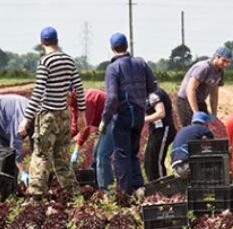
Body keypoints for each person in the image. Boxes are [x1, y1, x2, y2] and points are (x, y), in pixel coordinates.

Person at [19, 27, 86, 198]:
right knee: (61, 156)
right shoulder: (69, 60)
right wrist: (82, 115)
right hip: (63, 114)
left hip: (47, 115)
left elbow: (39, 91)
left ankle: (36, 195)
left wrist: (26, 119)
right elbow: (78, 88)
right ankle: (74, 194)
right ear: (57, 41)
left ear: (42, 43)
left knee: (41, 155)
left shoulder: (45, 62)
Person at [99, 32, 157, 196]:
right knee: (133, 151)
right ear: (127, 47)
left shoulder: (113, 68)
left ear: (112, 48)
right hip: (138, 114)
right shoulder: (140, 63)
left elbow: (112, 98)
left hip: (123, 115)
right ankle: (139, 187)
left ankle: (125, 192)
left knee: (121, 154)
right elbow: (153, 87)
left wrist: (105, 119)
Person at [176, 47, 232, 126]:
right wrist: (196, 112)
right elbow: (190, 89)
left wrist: (214, 113)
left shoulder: (220, 72)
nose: (225, 64)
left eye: (228, 62)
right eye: (224, 60)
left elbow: (214, 93)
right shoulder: (204, 68)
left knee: (203, 128)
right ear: (216, 57)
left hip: (200, 101)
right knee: (190, 129)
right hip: (186, 100)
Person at [0, 94, 32, 162]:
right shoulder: (21, 120)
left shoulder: (38, 119)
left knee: (6, 155)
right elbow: (15, 144)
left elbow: (35, 144)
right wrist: (21, 170)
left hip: (4, 118)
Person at [143, 86, 177, 182]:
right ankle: (153, 186)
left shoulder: (154, 94)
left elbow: (161, 113)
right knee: (149, 162)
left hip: (163, 131)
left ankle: (163, 187)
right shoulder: (147, 93)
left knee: (156, 162)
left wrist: (142, 120)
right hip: (155, 130)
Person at [169, 111, 214, 178]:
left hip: (176, 168)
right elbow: (213, 141)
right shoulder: (201, 128)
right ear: (205, 124)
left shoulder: (182, 130)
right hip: (187, 165)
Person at [69, 87, 106, 164]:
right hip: (105, 124)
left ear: (70, 94)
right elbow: (75, 126)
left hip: (115, 119)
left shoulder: (86, 100)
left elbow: (85, 128)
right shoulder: (74, 102)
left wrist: (76, 150)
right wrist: (65, 139)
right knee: (97, 156)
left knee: (102, 155)